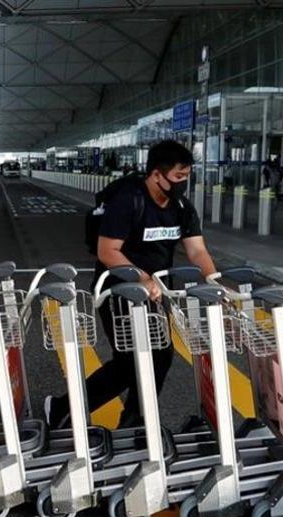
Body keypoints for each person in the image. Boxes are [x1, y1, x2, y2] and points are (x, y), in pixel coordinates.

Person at [43, 140, 217, 429]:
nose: (183, 184)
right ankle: (62, 408)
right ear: (156, 175)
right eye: (178, 177)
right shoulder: (128, 200)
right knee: (131, 361)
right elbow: (108, 251)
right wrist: (142, 277)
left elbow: (196, 250)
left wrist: (214, 281)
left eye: (186, 177)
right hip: (117, 289)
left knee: (159, 358)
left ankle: (134, 422)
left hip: (155, 294)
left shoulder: (182, 206)